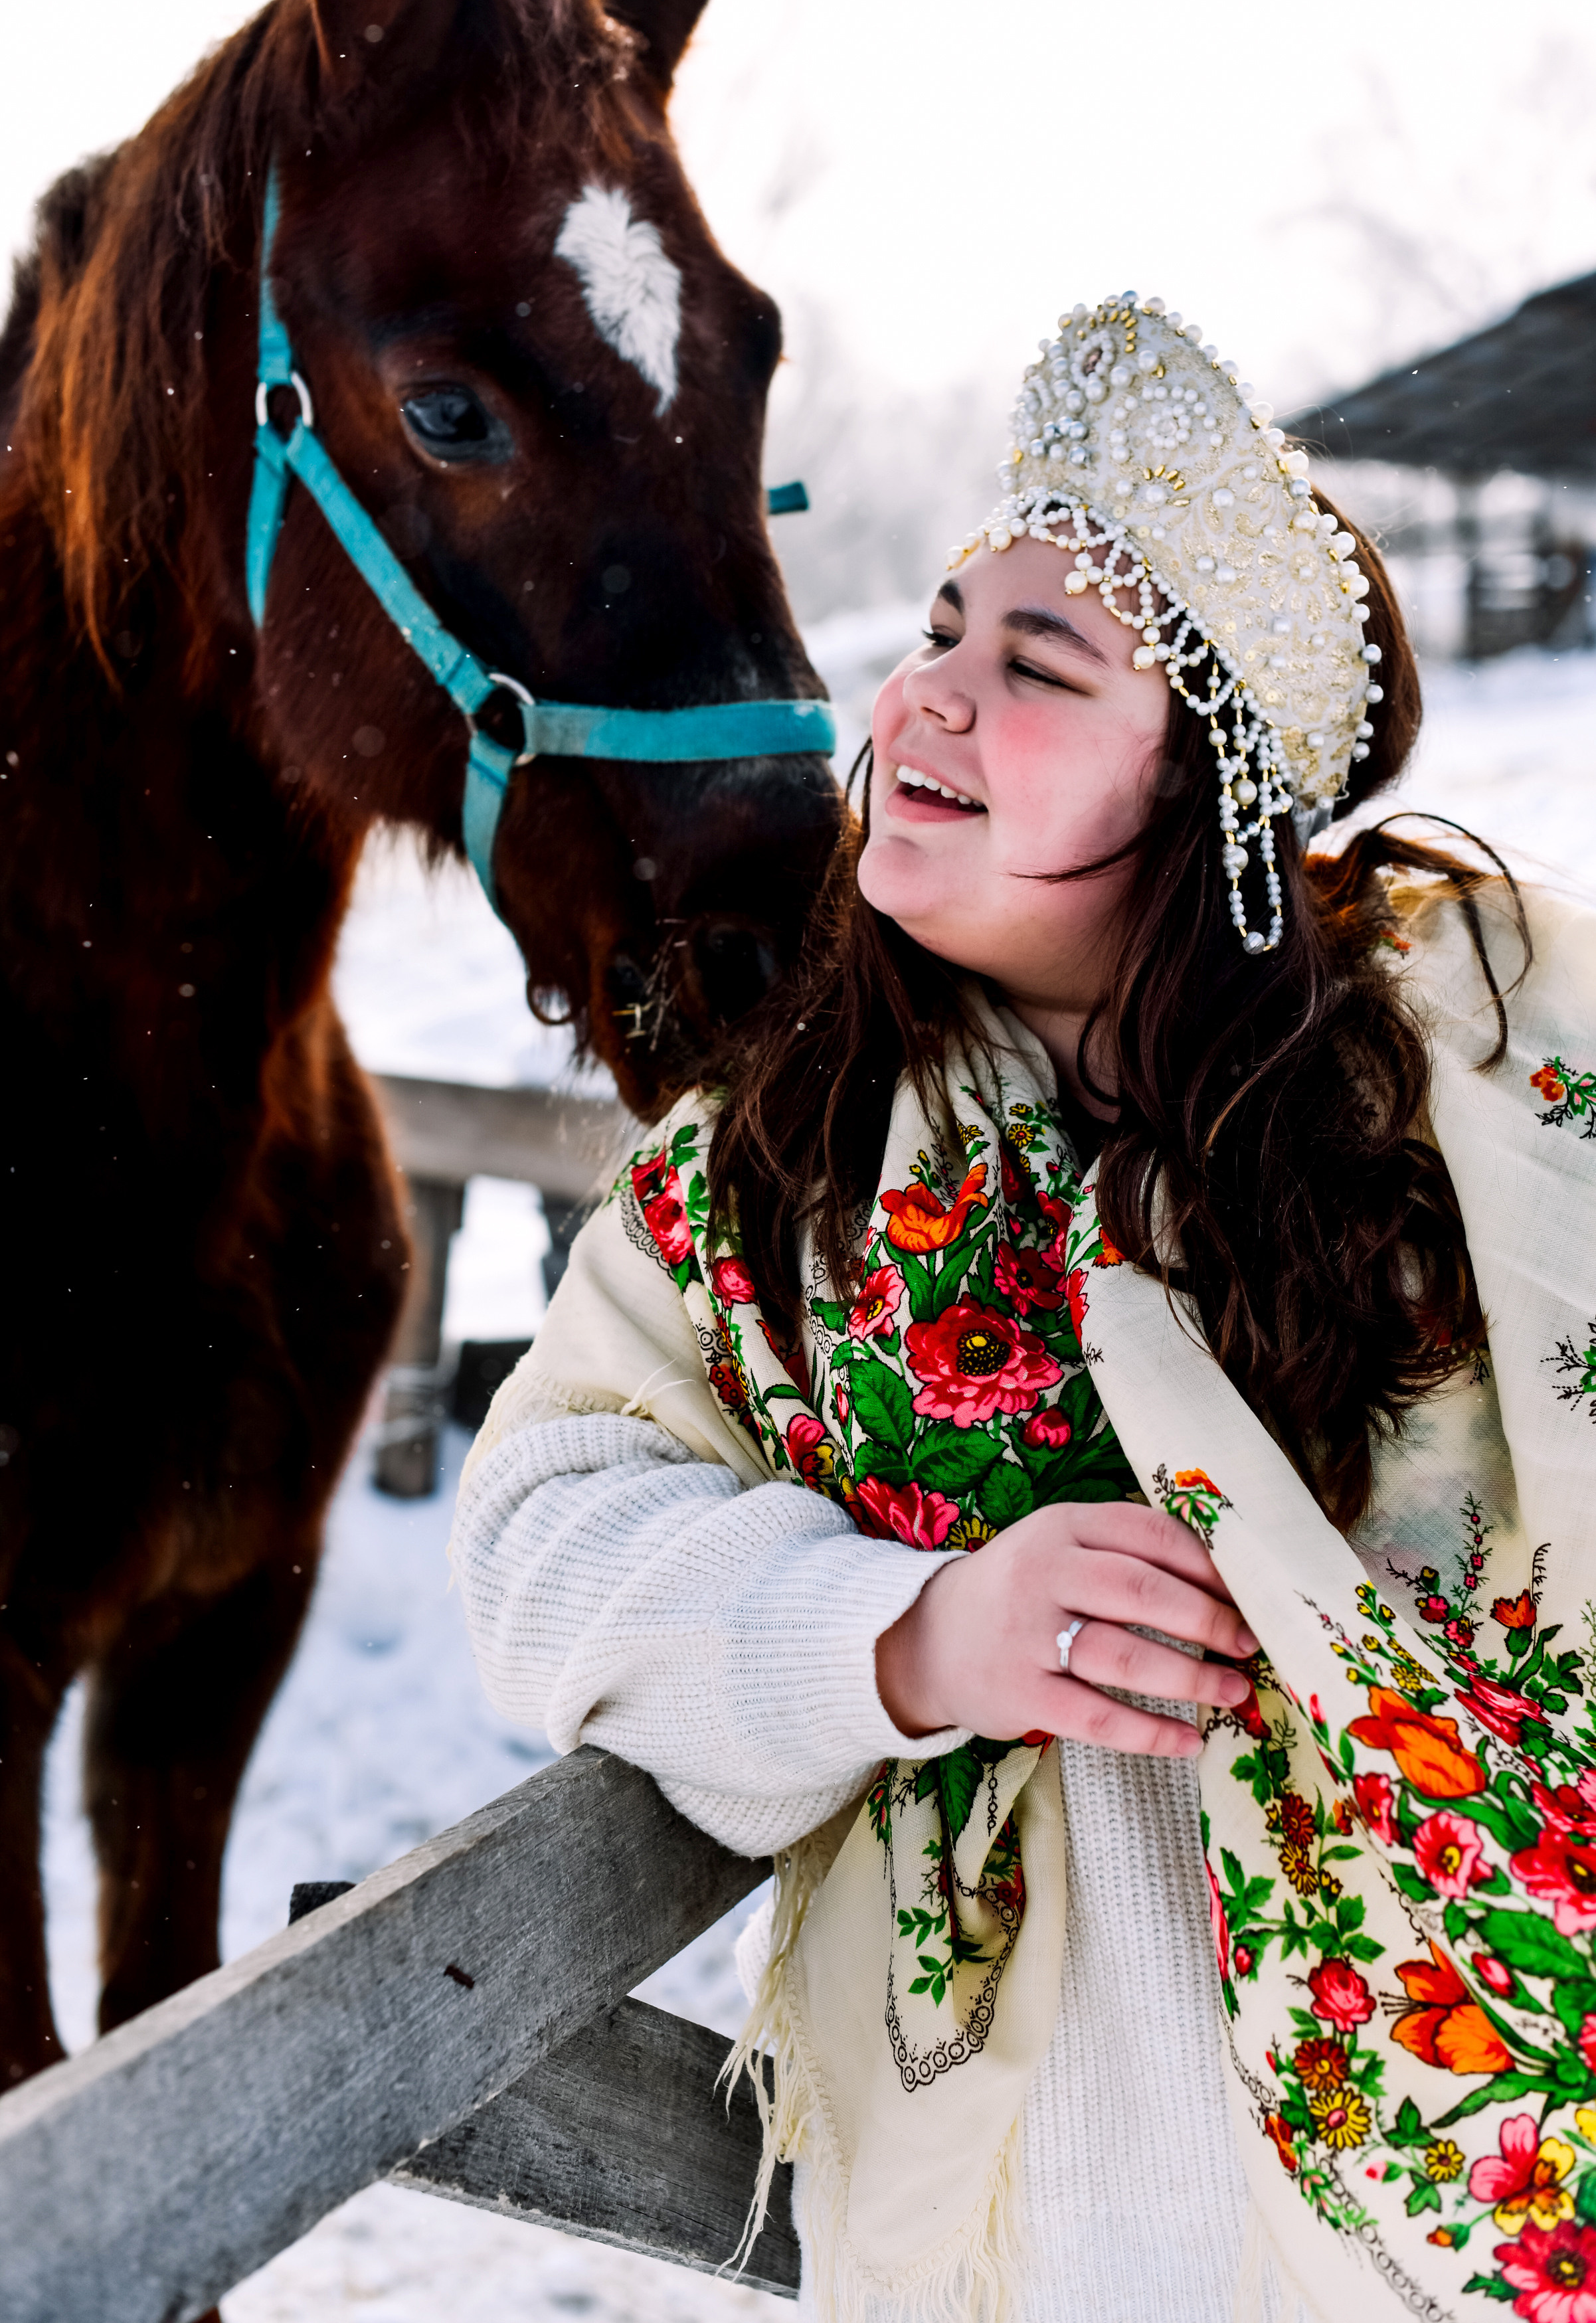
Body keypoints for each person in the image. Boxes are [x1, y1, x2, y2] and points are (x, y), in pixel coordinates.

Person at [451, 292, 1596, 2323]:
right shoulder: (777, 1165)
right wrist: (904, 1636)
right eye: (937, 634)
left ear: (1202, 787)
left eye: (1037, 663)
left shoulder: (1497, 1082)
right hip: (1025, 2229)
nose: (926, 700)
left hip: (1449, 2227)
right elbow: (542, 1540)